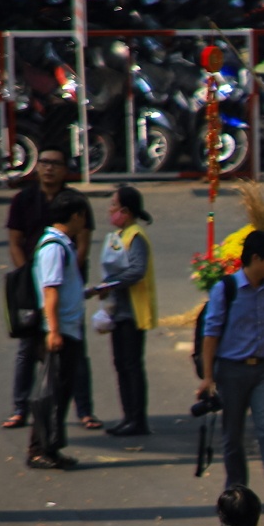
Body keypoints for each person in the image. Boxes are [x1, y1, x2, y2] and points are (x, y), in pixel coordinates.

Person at [198, 229, 264, 508]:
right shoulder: (226, 290)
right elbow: (211, 335)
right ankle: (237, 492)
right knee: (233, 434)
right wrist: (208, 377)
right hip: (231, 370)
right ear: (255, 258)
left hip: (263, 369)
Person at [6, 148, 93, 430]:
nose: (49, 169)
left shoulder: (75, 201)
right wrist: (28, 275)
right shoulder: (24, 200)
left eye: (55, 163)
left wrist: (70, 270)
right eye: (44, 163)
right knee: (28, 348)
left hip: (63, 284)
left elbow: (84, 242)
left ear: (65, 169)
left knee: (74, 354)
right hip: (35, 284)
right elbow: (15, 241)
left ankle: (84, 410)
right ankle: (21, 408)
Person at [24, 193, 90, 471]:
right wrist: (54, 331)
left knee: (60, 393)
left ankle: (50, 447)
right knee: (52, 394)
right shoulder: (54, 247)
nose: (84, 222)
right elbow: (50, 291)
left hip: (67, 328)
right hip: (59, 331)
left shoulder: (63, 245)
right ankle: (39, 449)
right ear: (75, 216)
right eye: (83, 216)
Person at [86, 185, 156, 436]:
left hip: (132, 312)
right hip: (120, 311)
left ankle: (137, 419)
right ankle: (129, 416)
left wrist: (106, 286)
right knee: (122, 365)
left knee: (130, 365)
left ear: (125, 211)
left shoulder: (135, 236)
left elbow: (136, 271)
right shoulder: (122, 234)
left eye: (113, 205)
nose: (110, 209)